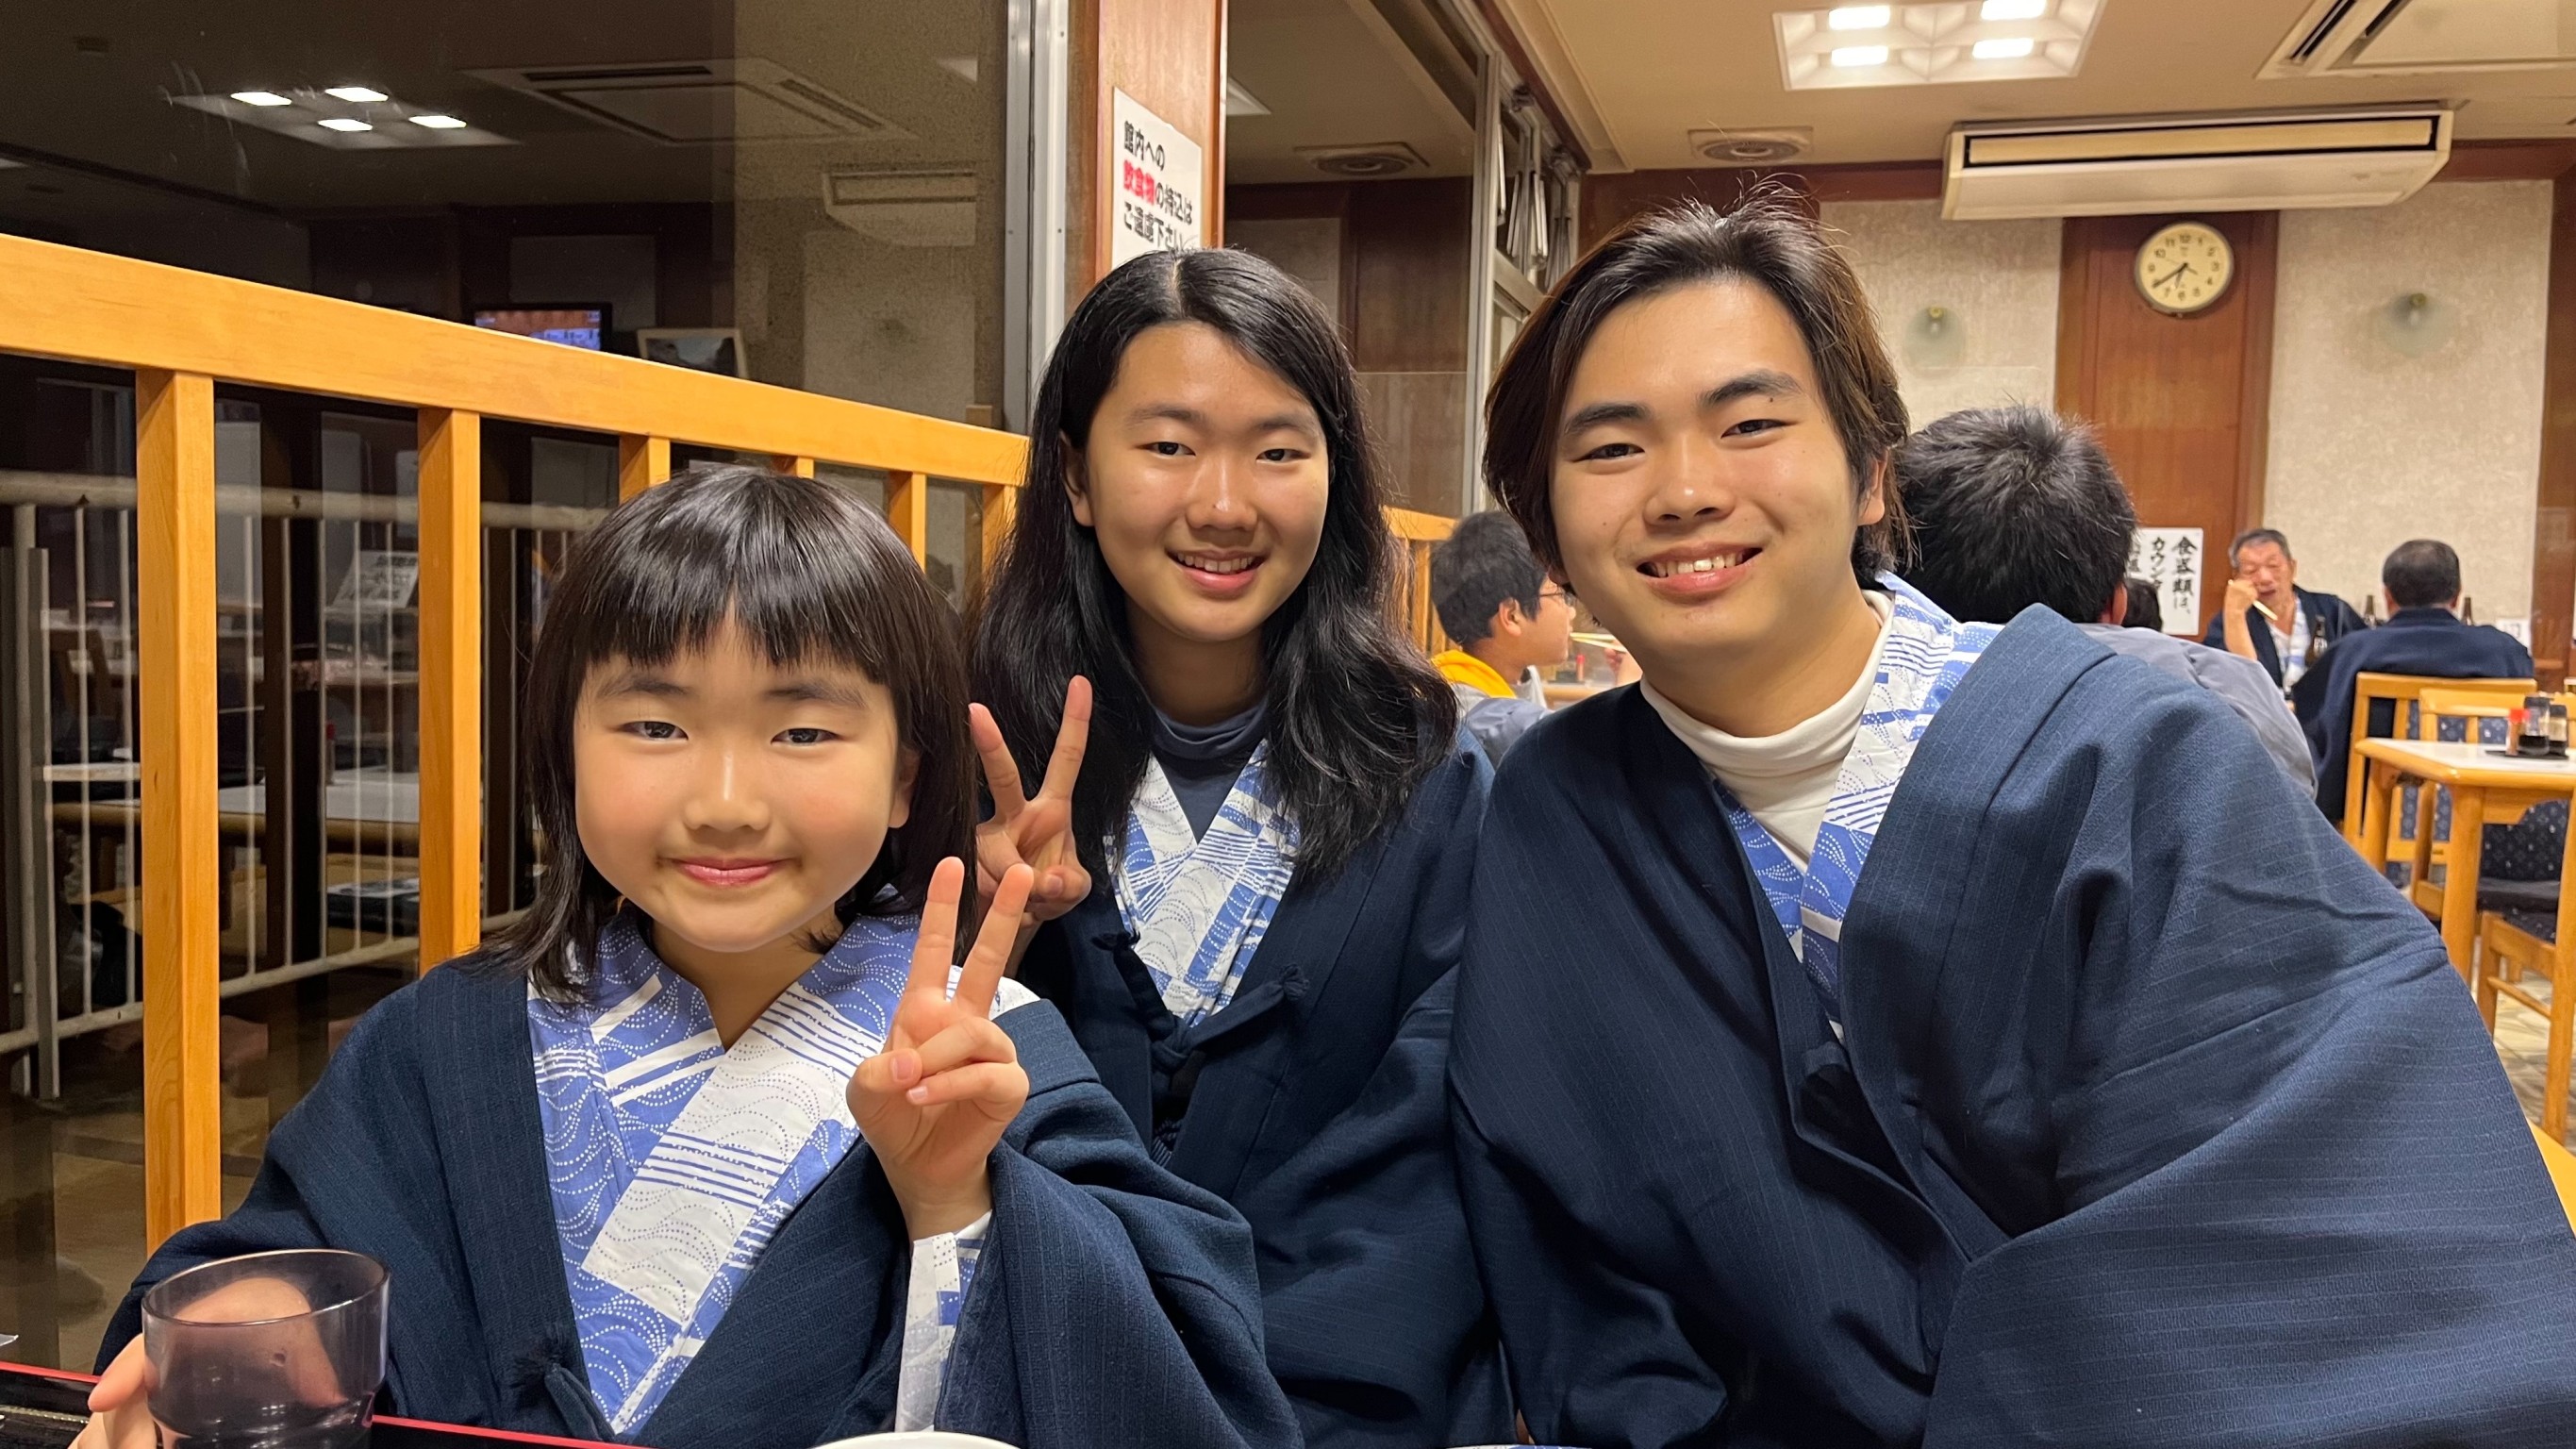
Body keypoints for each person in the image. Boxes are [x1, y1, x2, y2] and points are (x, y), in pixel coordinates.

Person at [1453, 196, 2576, 1449]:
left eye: (1750, 424)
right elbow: (1570, 1268)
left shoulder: (2128, 766)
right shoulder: (1552, 811)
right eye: (1611, 448)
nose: (1682, 490)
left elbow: (2315, 1240)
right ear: (1548, 532)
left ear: (1870, 473)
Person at [78, 468, 1298, 1449]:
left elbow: (1182, 1378)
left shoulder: (984, 1058)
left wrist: (955, 1198)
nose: (722, 803)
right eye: (654, 724)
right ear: (564, 752)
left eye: (802, 731)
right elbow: (298, 1248)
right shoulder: (446, 1040)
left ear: (904, 778)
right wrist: (266, 1313)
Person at [970, 247, 1510, 1449]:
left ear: (1335, 476)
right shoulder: (972, 760)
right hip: (1028, 1385)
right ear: (1075, 475)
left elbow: (1435, 1147)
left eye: (1277, 450)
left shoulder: (1433, 780)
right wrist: (975, 922)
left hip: (1339, 1407)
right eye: (1168, 446)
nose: (1223, 505)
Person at [1898, 405, 2314, 789]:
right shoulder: (2229, 703)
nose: (2264, 577)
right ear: (2118, 604)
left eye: (2273, 565)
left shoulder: (1886, 716)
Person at [2295, 537, 2536, 825]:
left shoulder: (2354, 652)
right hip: (2478, 820)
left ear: (2387, 597)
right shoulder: (2505, 652)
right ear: (2457, 596)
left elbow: (2314, 726)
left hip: (2374, 818)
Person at [1430, 509, 1575, 763]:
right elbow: (1564, 763)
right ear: (1512, 616)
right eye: (1560, 595)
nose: (1571, 611)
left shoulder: (1521, 674)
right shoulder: (1463, 710)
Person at [2202, 526, 2368, 695]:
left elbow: (2366, 658)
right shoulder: (2227, 623)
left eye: (2273, 566)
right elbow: (2232, 682)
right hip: (2262, 711)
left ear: (2292, 567)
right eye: (2251, 570)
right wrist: (2235, 614)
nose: (2265, 578)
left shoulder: (2332, 609)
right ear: (2237, 577)